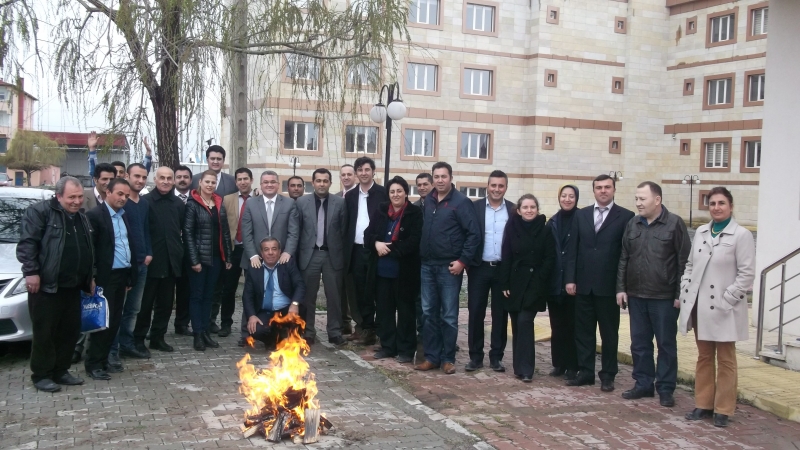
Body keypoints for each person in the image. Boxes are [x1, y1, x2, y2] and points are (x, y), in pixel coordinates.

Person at [680, 187, 755, 428]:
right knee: (703, 357)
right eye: (712, 203)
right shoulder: (701, 232)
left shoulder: (741, 235)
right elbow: (690, 265)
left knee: (726, 359)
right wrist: (685, 287)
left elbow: (746, 273)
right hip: (701, 306)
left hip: (725, 307)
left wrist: (729, 298)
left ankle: (723, 408)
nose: (716, 207)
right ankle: (703, 404)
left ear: (731, 206)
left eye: (721, 203)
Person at [616, 181, 690, 407]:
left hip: (664, 298)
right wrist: (621, 288)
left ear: (657, 200)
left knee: (666, 344)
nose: (638, 203)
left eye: (642, 199)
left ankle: (666, 388)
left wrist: (679, 293)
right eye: (636, 199)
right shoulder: (633, 224)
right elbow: (624, 258)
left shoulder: (674, 223)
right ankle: (643, 384)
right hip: (637, 296)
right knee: (639, 343)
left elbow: (683, 261)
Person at [17, 176, 94, 392]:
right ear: (58, 195)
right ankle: (41, 375)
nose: (77, 201)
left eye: (80, 197)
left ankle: (61, 370)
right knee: (45, 333)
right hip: (47, 286)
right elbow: (28, 244)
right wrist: (31, 272)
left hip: (74, 285)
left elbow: (88, 248)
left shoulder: (81, 217)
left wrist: (90, 276)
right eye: (71, 197)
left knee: (69, 332)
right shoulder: (40, 212)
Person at [565, 174, 635, 392]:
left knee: (609, 333)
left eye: (607, 187)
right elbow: (573, 250)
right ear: (593, 190)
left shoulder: (626, 216)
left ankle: (608, 375)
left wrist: (622, 286)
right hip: (583, 284)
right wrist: (570, 278)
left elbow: (627, 254)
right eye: (599, 187)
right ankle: (585, 372)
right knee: (584, 331)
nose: (603, 191)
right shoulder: (582, 215)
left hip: (609, 286)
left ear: (614, 190)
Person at [415, 162, 480, 375]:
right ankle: (432, 357)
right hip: (427, 265)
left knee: (449, 315)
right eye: (437, 176)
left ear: (450, 178)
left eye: (444, 176)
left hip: (449, 267)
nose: (440, 180)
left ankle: (448, 359)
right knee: (428, 313)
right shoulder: (429, 200)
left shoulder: (461, 202)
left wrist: (462, 261)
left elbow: (473, 235)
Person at [363, 176, 422, 363]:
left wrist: (389, 249)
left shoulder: (415, 213)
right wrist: (376, 243)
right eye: (392, 191)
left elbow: (414, 241)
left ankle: (405, 349)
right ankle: (388, 346)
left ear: (406, 192)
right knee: (384, 311)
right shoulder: (381, 211)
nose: (395, 194)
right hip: (381, 271)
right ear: (388, 194)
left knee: (406, 312)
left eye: (399, 191)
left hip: (404, 272)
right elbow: (368, 234)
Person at [84, 178, 139, 381]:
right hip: (105, 278)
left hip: (121, 275)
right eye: (119, 194)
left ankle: (104, 359)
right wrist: (92, 277)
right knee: (102, 323)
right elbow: (91, 250)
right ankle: (93, 364)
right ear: (108, 192)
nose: (123, 198)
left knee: (115, 321)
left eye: (126, 195)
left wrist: (130, 275)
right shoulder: (95, 215)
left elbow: (127, 245)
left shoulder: (122, 216)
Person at [498, 194, 556, 382]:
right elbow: (506, 255)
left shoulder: (546, 229)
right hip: (515, 282)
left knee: (525, 321)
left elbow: (550, 258)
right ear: (519, 210)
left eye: (532, 207)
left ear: (537, 209)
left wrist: (540, 278)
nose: (529, 210)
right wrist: (504, 282)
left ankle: (527, 369)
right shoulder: (512, 226)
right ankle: (519, 367)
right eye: (525, 207)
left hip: (534, 283)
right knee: (516, 324)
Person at [237, 170, 298, 346]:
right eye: (266, 182)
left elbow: (293, 232)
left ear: (278, 184)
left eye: (273, 182)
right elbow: (246, 233)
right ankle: (246, 334)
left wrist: (287, 252)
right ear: (260, 184)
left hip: (281, 259)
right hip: (255, 259)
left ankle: (280, 331)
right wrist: (253, 255)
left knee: (282, 293)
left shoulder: (288, 204)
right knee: (251, 295)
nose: (269, 185)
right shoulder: (251, 204)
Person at [289, 168, 348, 345]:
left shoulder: (340, 203)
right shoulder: (301, 202)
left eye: (325, 180)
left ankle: (335, 332)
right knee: (308, 297)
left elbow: (344, 231)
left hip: (332, 255)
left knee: (334, 296)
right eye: (318, 180)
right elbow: (296, 231)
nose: (322, 184)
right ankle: (308, 332)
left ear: (330, 183)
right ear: (313, 183)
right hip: (310, 254)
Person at [133, 167, 185, 356]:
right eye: (161, 178)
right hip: (151, 262)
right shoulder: (145, 202)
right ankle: (138, 339)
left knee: (165, 304)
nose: (165, 181)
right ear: (155, 179)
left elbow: (180, 229)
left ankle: (158, 337)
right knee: (145, 304)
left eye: (168, 178)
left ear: (173, 181)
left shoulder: (179, 204)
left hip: (171, 262)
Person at [466, 170, 514, 372]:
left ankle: (496, 356)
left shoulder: (513, 209)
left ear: (505, 187)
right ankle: (475, 357)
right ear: (487, 186)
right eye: (493, 185)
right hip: (479, 268)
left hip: (503, 270)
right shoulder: (474, 207)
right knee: (475, 312)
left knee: (500, 314)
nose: (496, 189)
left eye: (500, 186)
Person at [109, 163, 153, 368]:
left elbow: (146, 230)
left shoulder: (144, 204)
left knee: (133, 309)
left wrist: (149, 253)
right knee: (116, 309)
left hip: (141, 265)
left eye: (144, 177)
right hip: (122, 266)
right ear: (127, 175)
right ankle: (112, 349)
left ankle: (127, 343)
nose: (140, 181)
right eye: (136, 176)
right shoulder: (120, 203)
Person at [184, 170, 233, 351]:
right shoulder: (192, 204)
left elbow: (225, 232)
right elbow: (188, 234)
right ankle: (197, 334)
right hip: (198, 259)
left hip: (215, 258)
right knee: (197, 296)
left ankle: (205, 332)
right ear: (200, 183)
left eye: (213, 182)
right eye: (207, 182)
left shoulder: (218, 203)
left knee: (209, 296)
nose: (210, 185)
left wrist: (227, 256)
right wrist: (194, 260)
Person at [344, 157, 389, 345]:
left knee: (376, 290)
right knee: (359, 291)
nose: (363, 173)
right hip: (355, 249)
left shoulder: (382, 193)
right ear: (356, 173)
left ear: (373, 172)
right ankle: (364, 327)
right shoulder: (351, 195)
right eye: (360, 170)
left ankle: (377, 328)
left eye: (367, 169)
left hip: (376, 249)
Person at [212, 167, 256, 337]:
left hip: (252, 251)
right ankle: (226, 323)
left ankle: (252, 325)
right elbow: (222, 225)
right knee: (228, 289)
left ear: (251, 180)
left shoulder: (258, 199)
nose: (243, 182)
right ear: (235, 182)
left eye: (246, 178)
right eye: (239, 179)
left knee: (253, 288)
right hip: (233, 250)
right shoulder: (227, 199)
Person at [242, 237, 306, 349]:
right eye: (266, 249)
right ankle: (273, 340)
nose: (270, 253)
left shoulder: (287, 264)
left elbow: (300, 285)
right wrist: (252, 315)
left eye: (274, 249)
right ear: (261, 253)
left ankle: (289, 337)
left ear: (279, 252)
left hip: (286, 309)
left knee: (299, 317)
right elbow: (247, 295)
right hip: (265, 312)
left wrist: (294, 304)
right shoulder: (254, 269)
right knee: (255, 329)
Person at [545, 185, 580, 381]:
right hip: (555, 283)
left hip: (573, 282)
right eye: (564, 196)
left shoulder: (582, 219)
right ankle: (558, 363)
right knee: (556, 326)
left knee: (573, 325)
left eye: (571, 196)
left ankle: (573, 365)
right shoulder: (553, 222)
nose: (567, 199)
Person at [337, 163, 360, 336]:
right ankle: (344, 323)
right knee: (340, 288)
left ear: (355, 176)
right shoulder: (336, 197)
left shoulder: (360, 196)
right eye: (343, 174)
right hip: (338, 251)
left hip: (355, 250)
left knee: (354, 289)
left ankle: (359, 324)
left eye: (349, 174)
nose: (346, 177)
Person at [172, 165, 193, 336]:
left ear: (191, 180)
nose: (182, 179)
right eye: (179, 177)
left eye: (185, 177)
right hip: (170, 251)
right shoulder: (167, 199)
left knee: (185, 290)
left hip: (189, 252)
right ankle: (158, 326)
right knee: (163, 291)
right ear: (174, 179)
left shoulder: (195, 199)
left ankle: (182, 323)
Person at [413, 172, 433, 338]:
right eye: (419, 185)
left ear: (432, 185)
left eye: (425, 184)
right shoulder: (414, 207)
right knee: (420, 300)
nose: (422, 187)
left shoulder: (439, 205)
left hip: (438, 260)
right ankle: (422, 332)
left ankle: (441, 335)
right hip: (418, 260)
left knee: (440, 302)